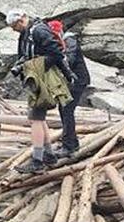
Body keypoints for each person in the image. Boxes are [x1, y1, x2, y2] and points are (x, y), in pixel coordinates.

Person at [7, 9, 77, 173]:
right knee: (38, 117)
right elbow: (29, 54)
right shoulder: (28, 32)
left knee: (36, 118)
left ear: (21, 20)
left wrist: (42, 66)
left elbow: (56, 53)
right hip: (37, 77)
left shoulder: (37, 30)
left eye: (13, 25)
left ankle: (37, 161)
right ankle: (49, 155)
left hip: (42, 77)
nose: (13, 29)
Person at [49, 21, 91, 158]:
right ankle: (70, 142)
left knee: (66, 109)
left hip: (78, 80)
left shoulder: (69, 39)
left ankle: (70, 146)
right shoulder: (62, 41)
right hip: (72, 81)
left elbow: (70, 59)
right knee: (64, 109)